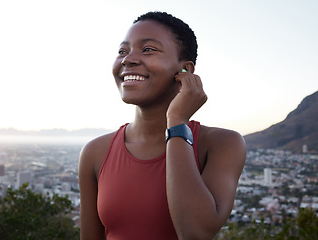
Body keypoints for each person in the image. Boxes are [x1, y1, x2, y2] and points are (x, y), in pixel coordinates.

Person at [78, 11, 246, 240]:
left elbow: (195, 233)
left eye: (148, 49)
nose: (128, 59)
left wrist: (176, 120)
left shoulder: (222, 144)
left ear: (185, 70)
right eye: (122, 51)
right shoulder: (95, 152)